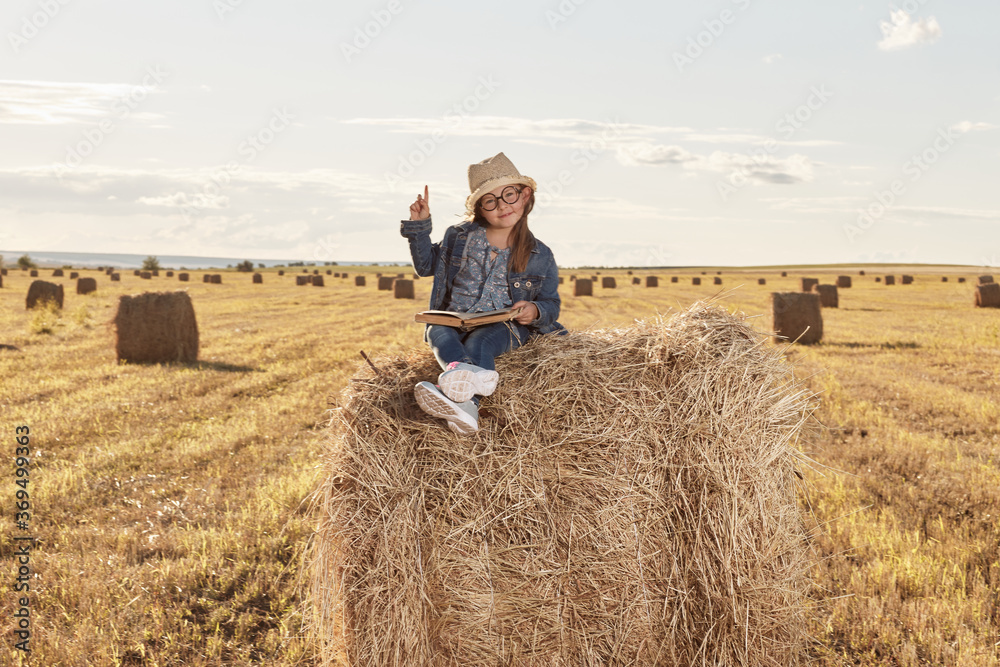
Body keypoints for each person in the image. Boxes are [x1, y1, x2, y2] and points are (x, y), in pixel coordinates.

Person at [399, 152, 565, 435]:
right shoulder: (459, 237)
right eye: (490, 200)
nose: (502, 206)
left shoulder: (541, 254)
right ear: (480, 208)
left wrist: (534, 311)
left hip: (503, 325)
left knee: (480, 344)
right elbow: (426, 266)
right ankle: (463, 381)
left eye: (509, 195)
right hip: (454, 317)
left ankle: (466, 400)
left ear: (524, 196)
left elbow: (551, 303)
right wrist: (420, 227)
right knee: (436, 331)